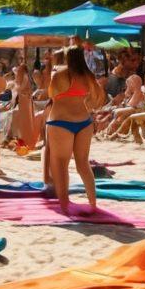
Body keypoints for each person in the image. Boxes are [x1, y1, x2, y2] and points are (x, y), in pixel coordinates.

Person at [45, 47, 104, 211]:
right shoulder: (88, 76)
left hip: (60, 122)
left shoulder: (60, 74)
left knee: (61, 164)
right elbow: (97, 99)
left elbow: (51, 94)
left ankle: (64, 204)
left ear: (67, 57)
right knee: (83, 164)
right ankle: (93, 203)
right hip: (84, 121)